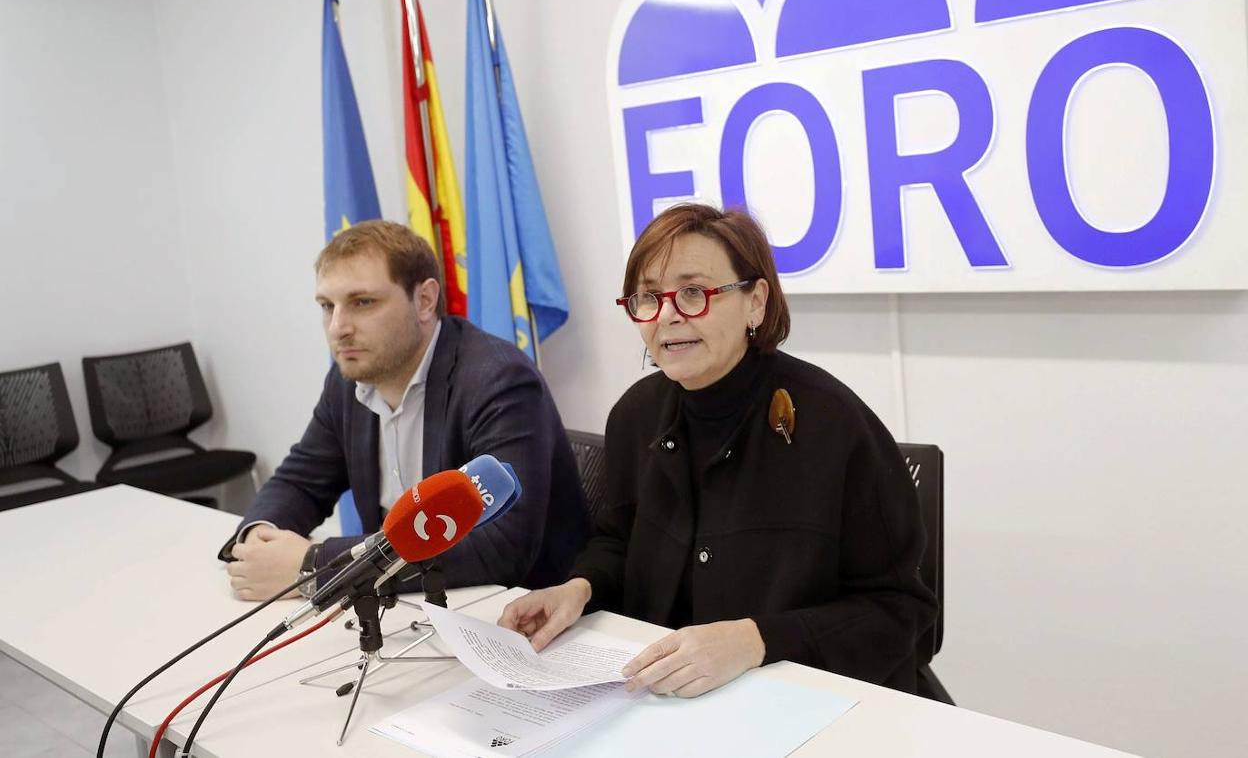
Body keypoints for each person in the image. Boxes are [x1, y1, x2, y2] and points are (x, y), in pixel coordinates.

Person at [500, 204, 937, 697]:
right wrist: (578, 589)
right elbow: (619, 542)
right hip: (660, 699)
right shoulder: (634, 416)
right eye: (648, 296)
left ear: (756, 302)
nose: (666, 315)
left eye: (692, 292)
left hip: (802, 706)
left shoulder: (836, 425)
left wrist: (754, 641)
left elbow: (900, 614)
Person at [219, 220, 588, 599]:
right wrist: (256, 540)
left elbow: (500, 546)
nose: (337, 327)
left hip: (517, 612)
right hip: (406, 603)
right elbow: (301, 481)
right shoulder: (348, 380)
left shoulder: (498, 379)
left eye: (363, 302)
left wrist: (315, 565)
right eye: (327, 306)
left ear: (425, 300)